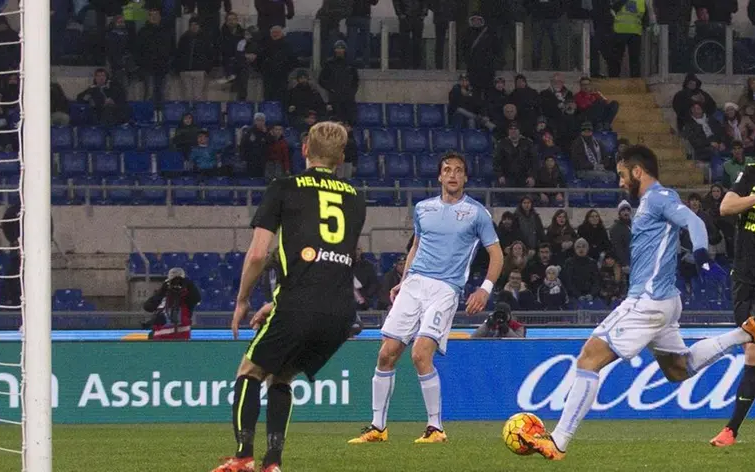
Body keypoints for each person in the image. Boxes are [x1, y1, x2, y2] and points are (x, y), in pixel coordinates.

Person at [519, 145, 753, 461]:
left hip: (648, 299)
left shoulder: (660, 197)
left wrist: (701, 256)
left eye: (621, 174)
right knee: (678, 369)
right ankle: (746, 333)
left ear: (637, 171)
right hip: (665, 300)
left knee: (588, 358)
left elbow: (694, 222)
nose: (619, 182)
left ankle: (558, 442)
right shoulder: (647, 204)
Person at [212, 122, 366, 472]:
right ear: (341, 159)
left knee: (249, 371)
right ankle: (273, 462)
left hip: (299, 304)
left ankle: (242, 456)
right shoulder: (357, 198)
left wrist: (243, 300)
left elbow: (256, 255)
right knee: (281, 376)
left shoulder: (283, 187)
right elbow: (331, 257)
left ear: (305, 150)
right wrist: (276, 302)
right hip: (341, 312)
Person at [348, 152, 503, 445]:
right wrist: (403, 282)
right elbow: (416, 247)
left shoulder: (477, 213)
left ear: (465, 177)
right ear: (440, 177)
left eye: (459, 170)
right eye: (447, 170)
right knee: (386, 354)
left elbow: (497, 255)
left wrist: (485, 289)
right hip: (414, 285)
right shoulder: (423, 209)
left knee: (420, 353)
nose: (453, 175)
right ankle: (377, 427)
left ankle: (435, 428)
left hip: (445, 289)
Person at [710, 161, 755, 445]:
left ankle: (731, 429)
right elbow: (726, 207)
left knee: (754, 353)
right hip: (742, 280)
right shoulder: (752, 172)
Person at [142, 268, 201, 340]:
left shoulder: (187, 297)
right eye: (173, 281)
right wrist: (162, 290)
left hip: (180, 339)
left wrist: (189, 285)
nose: (176, 283)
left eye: (179, 281)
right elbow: (148, 307)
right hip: (159, 339)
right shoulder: (163, 295)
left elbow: (196, 299)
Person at [135, 8, 172, 110]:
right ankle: (148, 120)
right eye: (151, 15)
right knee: (149, 94)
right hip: (148, 69)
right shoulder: (142, 32)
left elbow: (172, 49)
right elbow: (137, 51)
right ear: (148, 17)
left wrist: (169, 63)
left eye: (156, 14)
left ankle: (161, 119)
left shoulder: (166, 31)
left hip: (163, 69)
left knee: (162, 95)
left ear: (160, 17)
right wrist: (141, 65)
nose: (154, 17)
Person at [607, 0, 652, 78]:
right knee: (634, 59)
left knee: (617, 58)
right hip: (634, 33)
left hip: (620, 31)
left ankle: (613, 77)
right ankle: (635, 79)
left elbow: (610, 11)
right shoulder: (641, 2)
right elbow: (646, 20)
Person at [319, 41, 360, 125]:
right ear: (334, 50)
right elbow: (321, 80)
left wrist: (351, 92)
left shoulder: (351, 64)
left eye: (342, 48)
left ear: (345, 50)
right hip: (335, 99)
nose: (339, 50)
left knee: (349, 123)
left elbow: (356, 81)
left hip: (348, 99)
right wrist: (331, 88)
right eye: (337, 48)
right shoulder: (329, 64)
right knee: (335, 123)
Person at [176, 16, 215, 100]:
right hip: (185, 71)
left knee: (198, 96)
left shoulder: (205, 38)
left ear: (199, 25)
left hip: (199, 71)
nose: (194, 26)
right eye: (192, 24)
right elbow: (178, 54)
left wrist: (207, 69)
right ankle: (189, 113)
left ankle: (197, 113)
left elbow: (210, 55)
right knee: (187, 96)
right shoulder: (184, 38)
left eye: (196, 24)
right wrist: (179, 69)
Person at [493, 122, 538, 188]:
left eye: (515, 129)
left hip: (525, 178)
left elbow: (534, 161)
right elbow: (496, 162)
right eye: (511, 129)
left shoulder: (528, 143)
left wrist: (532, 176)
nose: (513, 131)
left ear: (519, 131)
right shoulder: (501, 144)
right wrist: (500, 176)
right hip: (507, 178)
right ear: (508, 131)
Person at [260, 26, 296, 102]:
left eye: (277, 32)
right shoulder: (265, 46)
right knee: (268, 98)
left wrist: (285, 69)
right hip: (268, 77)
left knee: (281, 97)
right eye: (273, 32)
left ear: (282, 34)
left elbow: (293, 60)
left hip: (282, 76)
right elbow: (261, 60)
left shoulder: (287, 46)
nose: (275, 34)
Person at [465, 15, 498, 93]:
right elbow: (464, 49)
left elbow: (495, 48)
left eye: (478, 20)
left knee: (488, 92)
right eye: (474, 20)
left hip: (487, 68)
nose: (476, 22)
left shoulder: (489, 33)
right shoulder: (467, 33)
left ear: (481, 21)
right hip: (473, 69)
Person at [526, 0, 562, 70]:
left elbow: (563, 3)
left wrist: (558, 12)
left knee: (556, 43)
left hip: (553, 17)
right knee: (536, 44)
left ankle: (556, 67)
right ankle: (536, 67)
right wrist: (532, 10)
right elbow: (527, 3)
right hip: (537, 18)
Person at [393, 0, 426, 69]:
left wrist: (423, 14)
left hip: (415, 17)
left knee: (417, 43)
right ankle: (406, 64)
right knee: (404, 43)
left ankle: (416, 65)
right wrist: (400, 14)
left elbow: (425, 2)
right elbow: (396, 2)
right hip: (407, 17)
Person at [347, 0, 379, 68]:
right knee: (365, 42)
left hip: (352, 16)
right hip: (364, 16)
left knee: (351, 42)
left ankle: (350, 64)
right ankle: (366, 63)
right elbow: (375, 2)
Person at [240, 113, 270, 178]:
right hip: (251, 160)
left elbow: (270, 144)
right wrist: (243, 158)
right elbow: (243, 145)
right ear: (255, 121)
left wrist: (266, 134)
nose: (260, 122)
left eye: (262, 120)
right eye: (258, 120)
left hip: (264, 160)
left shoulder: (268, 132)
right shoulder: (249, 131)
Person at [610, 200, 633, 272]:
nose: (626, 212)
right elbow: (618, 248)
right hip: (625, 264)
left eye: (628, 210)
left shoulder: (635, 225)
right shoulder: (615, 228)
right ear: (619, 213)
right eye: (623, 210)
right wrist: (624, 263)